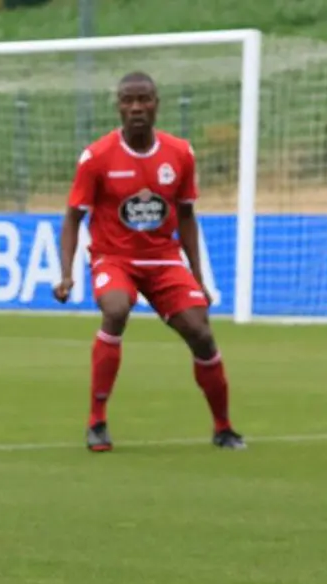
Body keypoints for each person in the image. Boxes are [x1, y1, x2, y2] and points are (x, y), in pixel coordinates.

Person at [54, 71, 245, 452]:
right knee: (116, 308)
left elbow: (187, 217)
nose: (136, 107)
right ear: (118, 106)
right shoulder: (97, 157)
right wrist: (66, 274)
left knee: (201, 333)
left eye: (144, 99)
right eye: (128, 100)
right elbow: (73, 217)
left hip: (163, 260)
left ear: (157, 103)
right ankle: (97, 423)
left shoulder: (179, 153)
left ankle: (223, 427)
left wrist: (198, 276)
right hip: (114, 258)